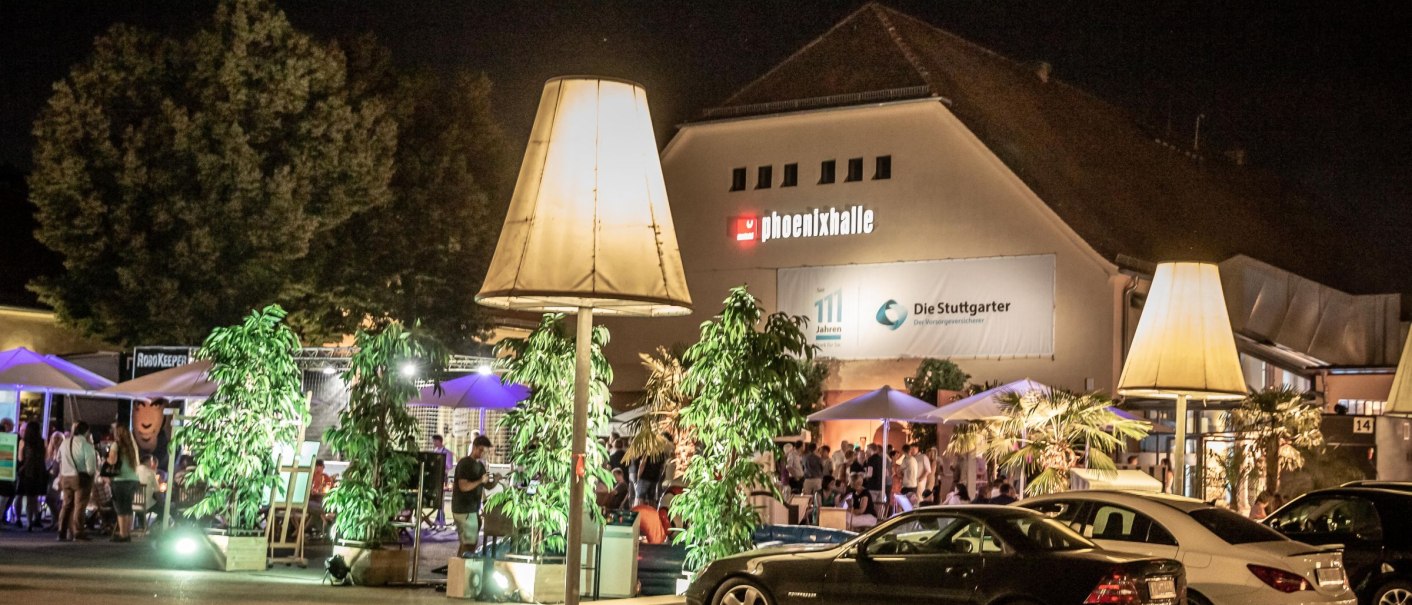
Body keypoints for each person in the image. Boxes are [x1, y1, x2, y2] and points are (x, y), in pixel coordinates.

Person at [451, 435, 496, 557]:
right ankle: (461, 570)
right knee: (469, 543)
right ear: (474, 447)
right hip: (463, 509)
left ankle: (460, 569)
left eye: (485, 451)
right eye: (481, 450)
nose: (483, 454)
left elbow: (486, 485)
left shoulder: (480, 465)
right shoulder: (465, 463)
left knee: (468, 543)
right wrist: (480, 481)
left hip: (472, 509)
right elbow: (463, 486)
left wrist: (494, 481)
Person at [58, 422, 97, 541]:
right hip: (80, 478)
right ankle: (78, 532)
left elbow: (58, 458)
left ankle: (61, 532)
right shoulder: (86, 445)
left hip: (65, 477)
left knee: (66, 505)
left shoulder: (64, 442)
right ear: (86, 432)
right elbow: (91, 468)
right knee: (79, 506)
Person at [106, 425, 141, 542]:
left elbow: (112, 461)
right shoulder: (133, 446)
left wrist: (107, 459)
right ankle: (128, 533)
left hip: (120, 480)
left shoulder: (116, 445)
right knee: (128, 507)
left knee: (120, 508)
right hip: (133, 479)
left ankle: (122, 534)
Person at [15, 421, 49, 530]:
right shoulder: (42, 441)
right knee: (33, 498)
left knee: (20, 495)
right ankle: (32, 521)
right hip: (38, 473)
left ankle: (20, 519)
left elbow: (20, 458)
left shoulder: (23, 442)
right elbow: (46, 457)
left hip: (25, 472)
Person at [135, 453, 161, 530]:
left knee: (140, 505)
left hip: (133, 503)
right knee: (163, 510)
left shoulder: (134, 470)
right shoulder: (151, 472)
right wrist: (161, 501)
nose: (152, 463)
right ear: (147, 461)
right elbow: (157, 490)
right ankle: (154, 526)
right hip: (147, 503)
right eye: (152, 461)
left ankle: (141, 526)